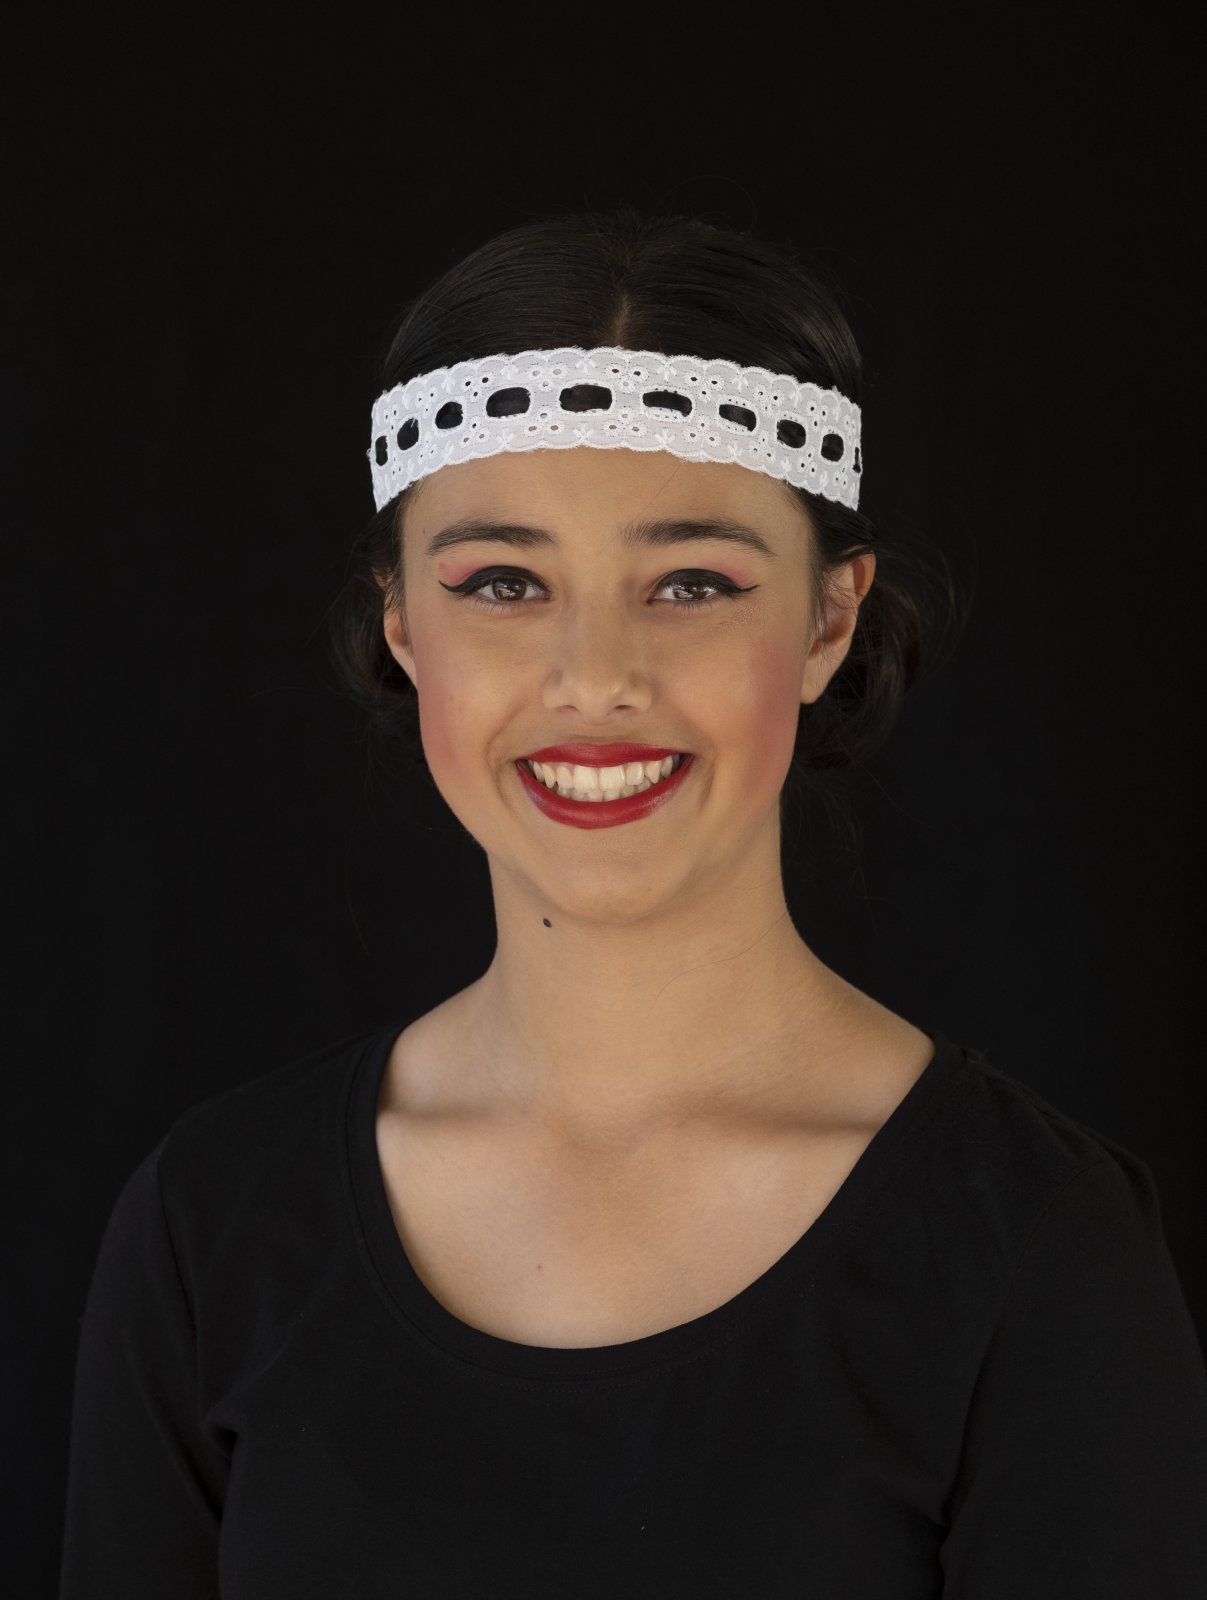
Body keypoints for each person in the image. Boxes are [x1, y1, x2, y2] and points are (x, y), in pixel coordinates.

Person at [60, 208, 1207, 1597]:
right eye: (503, 582)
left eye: (691, 583)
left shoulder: (1034, 1247)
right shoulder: (210, 1226)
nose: (595, 676)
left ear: (830, 621)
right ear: (402, 623)